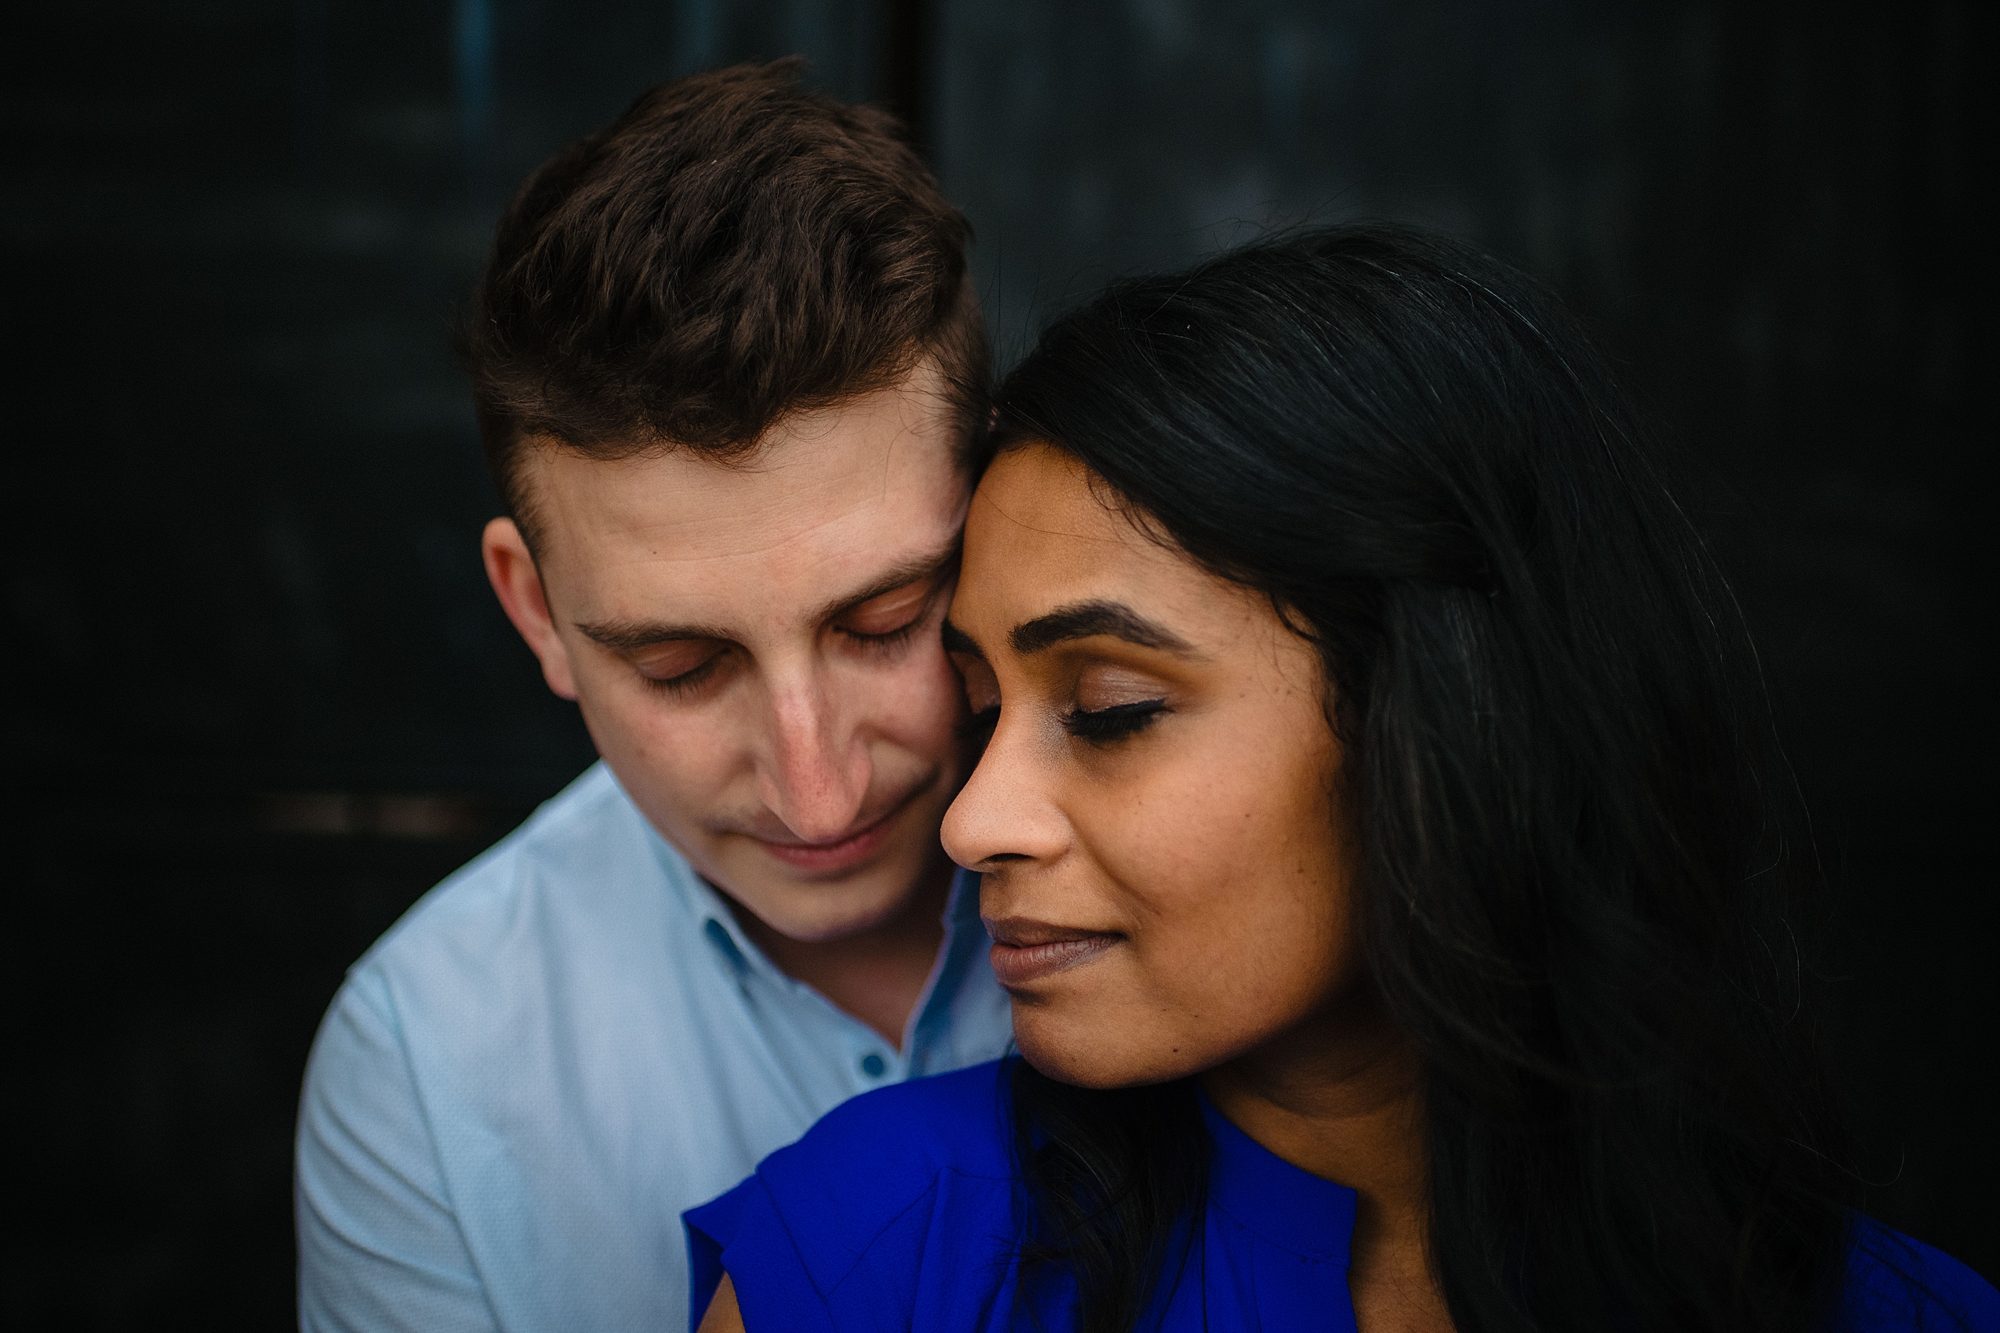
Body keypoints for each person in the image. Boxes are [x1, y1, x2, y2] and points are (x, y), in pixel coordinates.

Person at [685, 225, 2000, 1332]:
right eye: (982, 707)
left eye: (1110, 709)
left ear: (1447, 716)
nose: (971, 824)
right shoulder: (881, 1252)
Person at [293, 61, 1013, 1332]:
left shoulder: (1237, 898)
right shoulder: (427, 1067)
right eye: (681, 669)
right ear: (534, 612)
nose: (815, 784)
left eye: (885, 623)